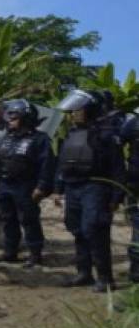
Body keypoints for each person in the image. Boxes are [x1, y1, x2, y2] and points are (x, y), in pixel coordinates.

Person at [54, 89, 126, 292]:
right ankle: (84, 273)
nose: (74, 114)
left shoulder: (106, 134)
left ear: (90, 110)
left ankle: (105, 278)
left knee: (94, 228)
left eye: (79, 110)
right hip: (72, 186)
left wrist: (116, 195)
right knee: (76, 229)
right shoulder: (72, 133)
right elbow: (62, 162)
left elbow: (117, 166)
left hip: (96, 186)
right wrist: (58, 188)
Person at [0, 99, 55, 268]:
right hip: (5, 185)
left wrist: (42, 187)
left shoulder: (40, 139)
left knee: (29, 220)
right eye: (10, 117)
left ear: (26, 118)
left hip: (26, 186)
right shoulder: (7, 137)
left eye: (14, 117)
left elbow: (47, 165)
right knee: (7, 219)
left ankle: (35, 254)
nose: (10, 120)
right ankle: (10, 251)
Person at [119, 113, 139, 283]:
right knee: (137, 226)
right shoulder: (134, 123)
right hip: (134, 182)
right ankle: (136, 274)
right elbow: (116, 146)